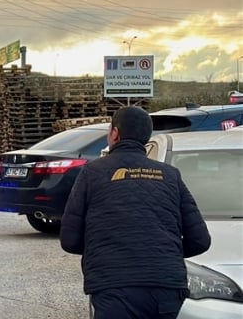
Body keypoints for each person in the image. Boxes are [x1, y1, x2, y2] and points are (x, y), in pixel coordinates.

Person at [60, 106, 211, 319]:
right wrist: (163, 251)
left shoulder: (92, 173)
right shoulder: (170, 176)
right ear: (147, 137)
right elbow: (200, 240)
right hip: (166, 288)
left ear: (114, 133)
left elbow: (69, 240)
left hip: (113, 287)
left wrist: (105, 250)